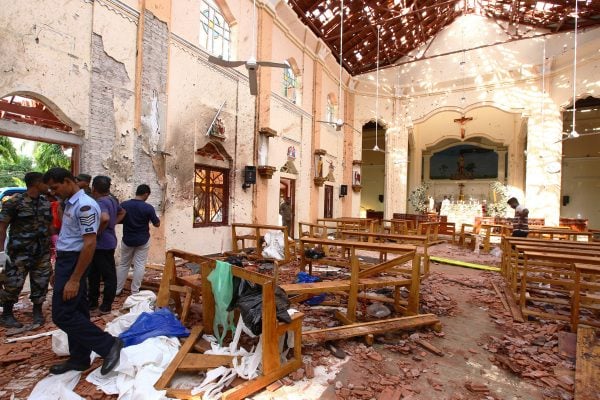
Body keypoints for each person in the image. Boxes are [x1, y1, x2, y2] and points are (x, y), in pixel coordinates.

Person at [43, 168, 122, 375]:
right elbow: (69, 238)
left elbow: (89, 244)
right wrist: (58, 270)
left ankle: (108, 344)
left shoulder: (85, 206)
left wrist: (74, 279)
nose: (53, 191)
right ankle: (79, 358)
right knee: (76, 311)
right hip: (66, 261)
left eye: (55, 187)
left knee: (62, 315)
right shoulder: (70, 204)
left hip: (74, 262)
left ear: (68, 181)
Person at [0, 172, 52, 328]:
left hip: (41, 252)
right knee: (13, 284)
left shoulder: (45, 202)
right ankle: (7, 314)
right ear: (37, 183)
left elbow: (49, 226)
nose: (48, 187)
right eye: (45, 183)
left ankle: (37, 312)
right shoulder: (14, 202)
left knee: (41, 282)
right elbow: (2, 227)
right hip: (19, 252)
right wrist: (1, 252)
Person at [88, 176, 125, 313]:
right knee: (95, 273)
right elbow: (122, 212)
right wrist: (112, 224)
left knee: (104, 275)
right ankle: (94, 302)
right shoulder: (111, 200)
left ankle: (104, 304)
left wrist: (98, 232)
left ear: (94, 188)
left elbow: (105, 218)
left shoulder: (101, 202)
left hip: (101, 244)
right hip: (108, 242)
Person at [116, 184, 160, 295]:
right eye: (148, 195)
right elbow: (157, 224)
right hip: (142, 240)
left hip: (127, 239)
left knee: (124, 264)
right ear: (146, 194)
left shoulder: (124, 205)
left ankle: (117, 289)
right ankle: (135, 291)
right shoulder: (148, 208)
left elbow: (118, 219)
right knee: (139, 265)